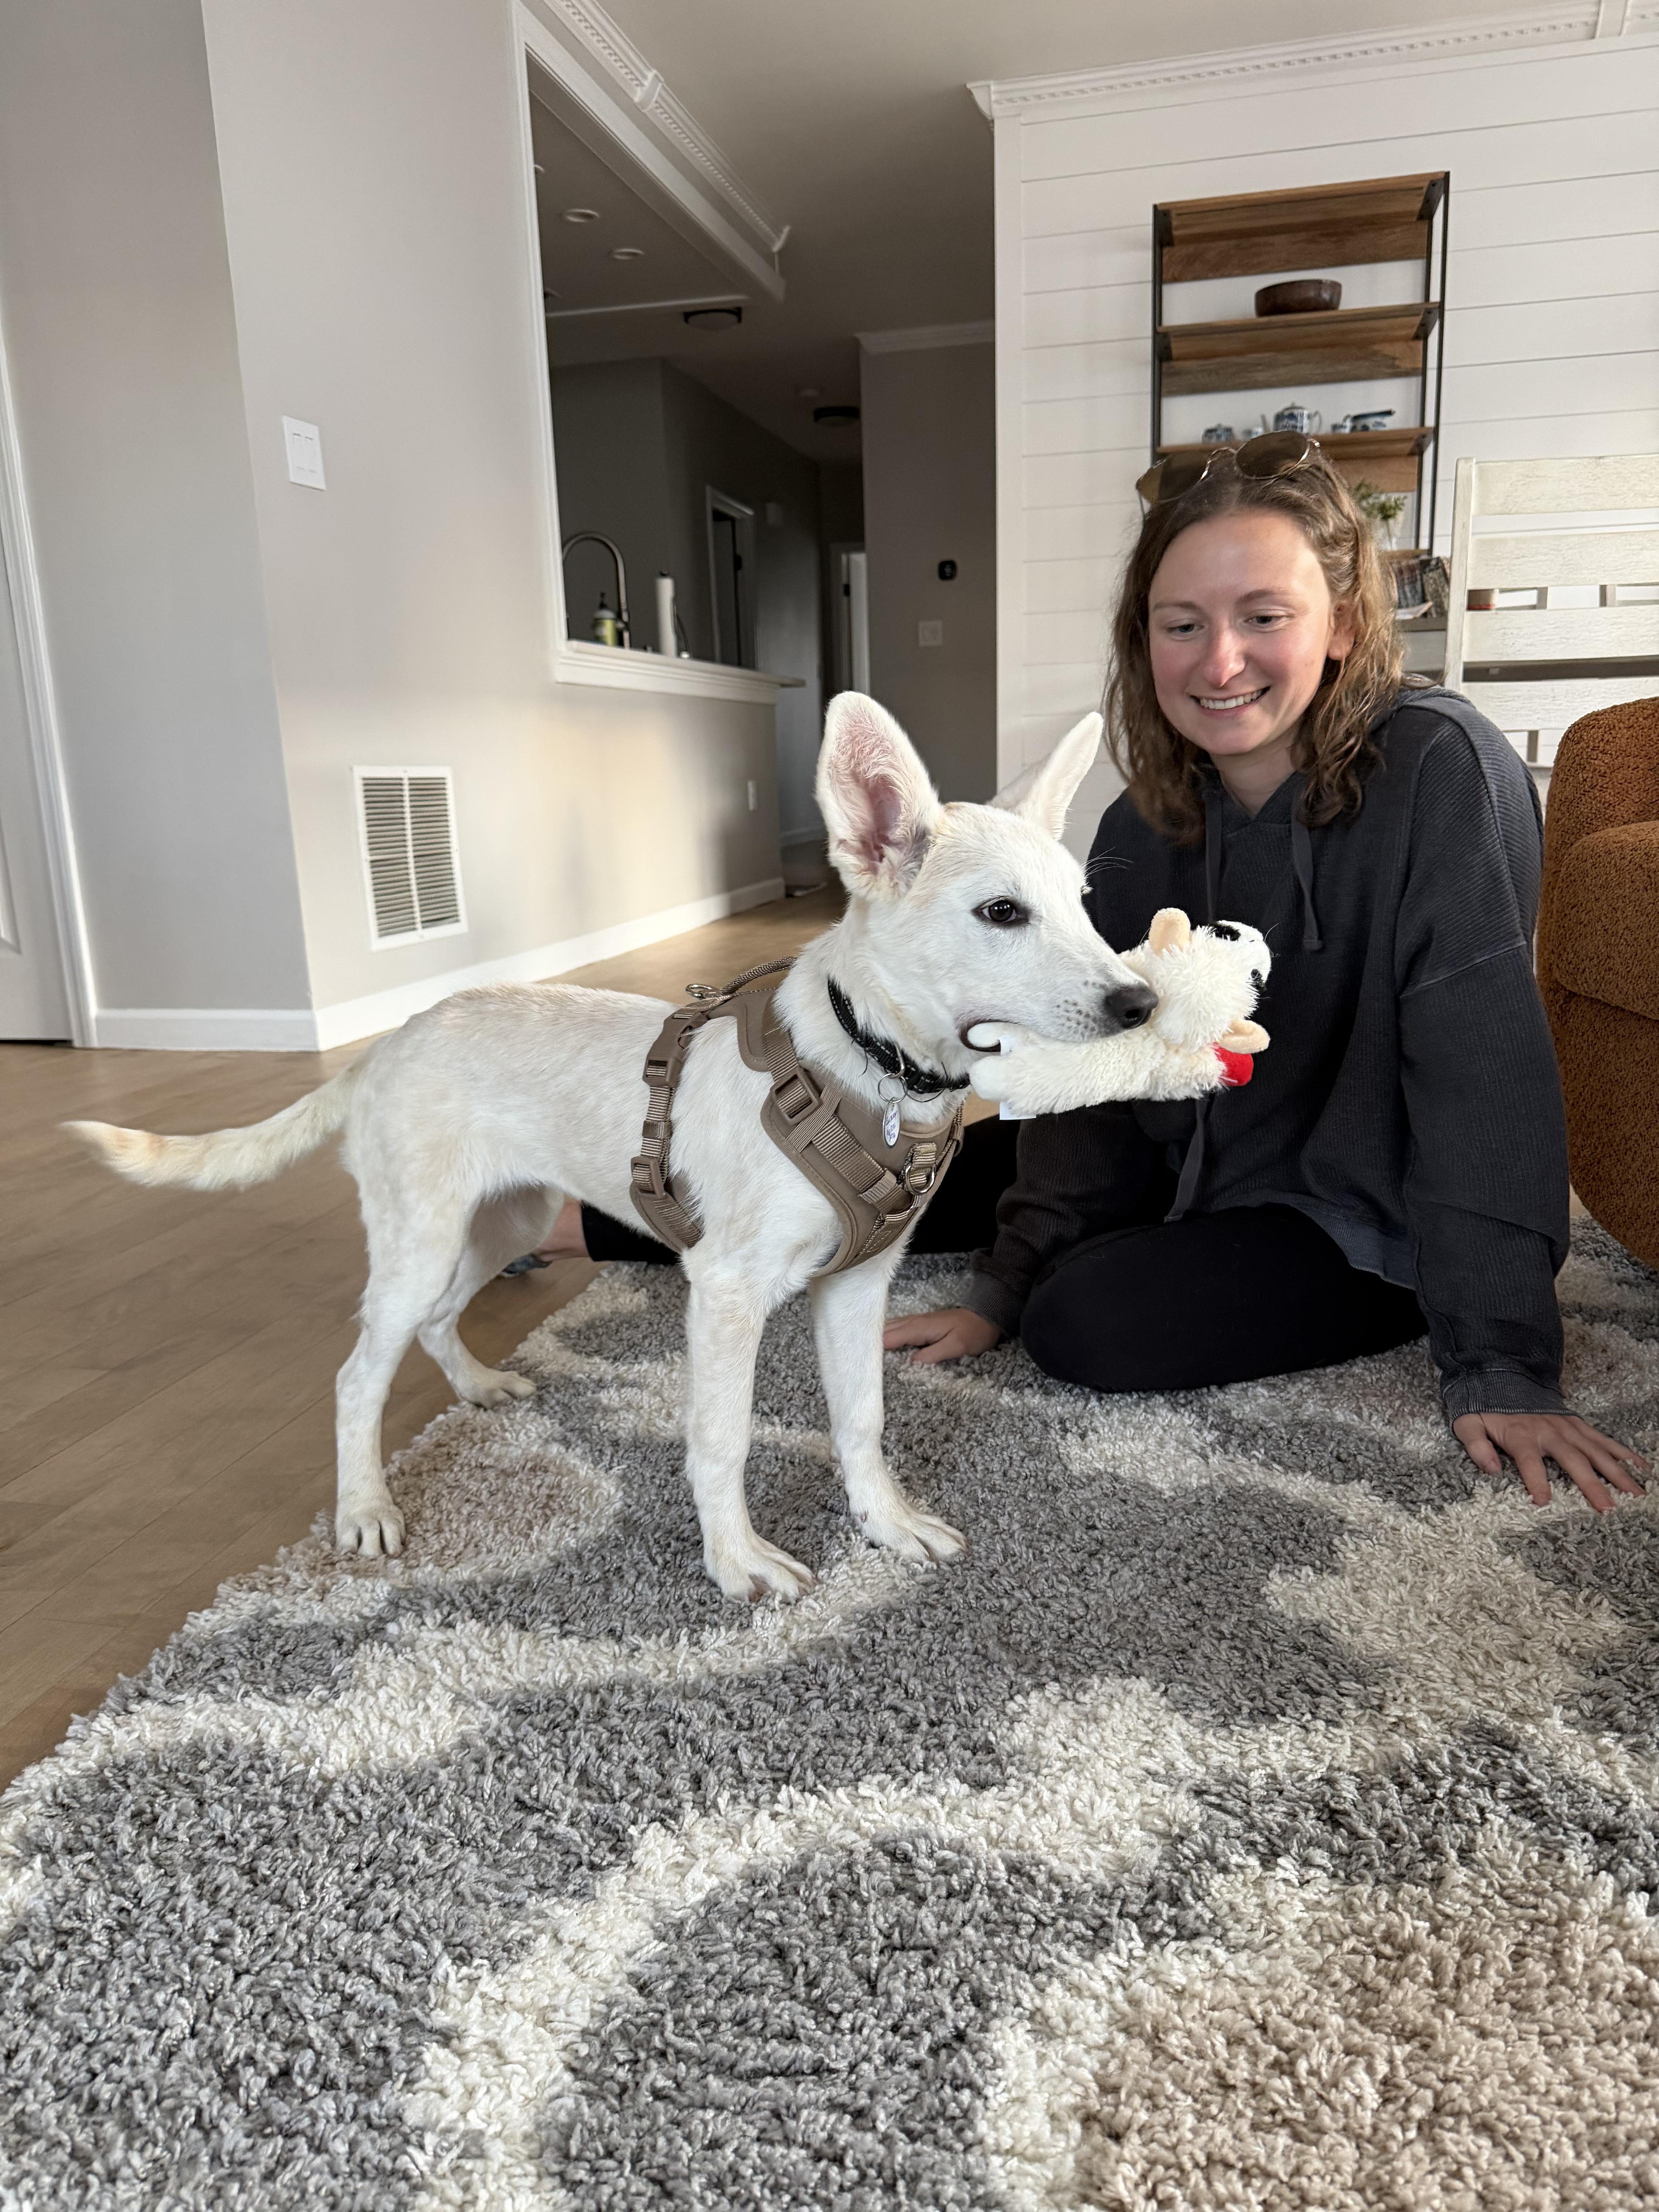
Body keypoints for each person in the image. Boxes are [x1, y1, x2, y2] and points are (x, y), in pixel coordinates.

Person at [529, 436, 1645, 1513]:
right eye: (1181, 624)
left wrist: (1500, 1355)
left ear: (1343, 625)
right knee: (899, 1156)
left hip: (1349, 1203)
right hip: (1183, 1154)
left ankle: (1198, 1267)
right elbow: (1078, 1062)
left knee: (1087, 1326)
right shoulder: (1142, 820)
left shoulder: (1444, 770)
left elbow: (1481, 1064)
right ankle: (572, 1221)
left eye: (1264, 617)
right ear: (1142, 639)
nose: (1219, 661)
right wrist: (997, 1288)